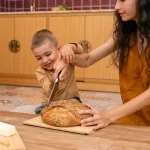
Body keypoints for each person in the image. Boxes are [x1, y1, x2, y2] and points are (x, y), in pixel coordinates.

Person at [55, 0, 150, 129]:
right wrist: (65, 55)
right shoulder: (126, 33)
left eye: (122, 0)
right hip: (133, 118)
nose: (116, 7)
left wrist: (109, 115)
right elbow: (87, 59)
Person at [31, 29, 83, 114]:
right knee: (41, 111)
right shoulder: (40, 72)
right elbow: (48, 91)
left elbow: (81, 50)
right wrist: (53, 80)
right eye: (39, 58)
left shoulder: (66, 58)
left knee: (79, 108)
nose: (44, 60)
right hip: (50, 104)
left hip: (71, 100)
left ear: (58, 49)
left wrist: (69, 47)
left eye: (48, 54)